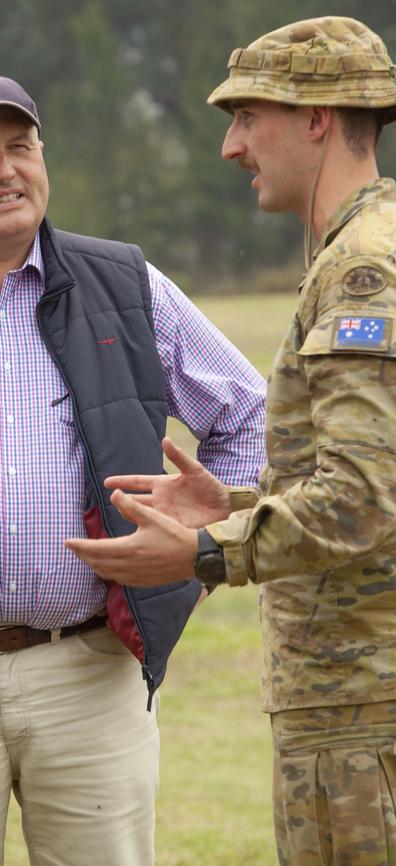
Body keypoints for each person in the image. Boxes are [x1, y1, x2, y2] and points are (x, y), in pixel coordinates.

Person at [66, 17, 396, 866]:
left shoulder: (364, 270)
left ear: (316, 118)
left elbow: (362, 500)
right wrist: (240, 503)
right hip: (390, 675)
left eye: (246, 117)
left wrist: (204, 549)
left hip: (363, 688)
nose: (231, 146)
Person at [0, 76, 265, 866]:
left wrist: (201, 542)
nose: (8, 171)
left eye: (20, 148)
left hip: (88, 670)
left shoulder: (126, 284)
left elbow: (249, 415)